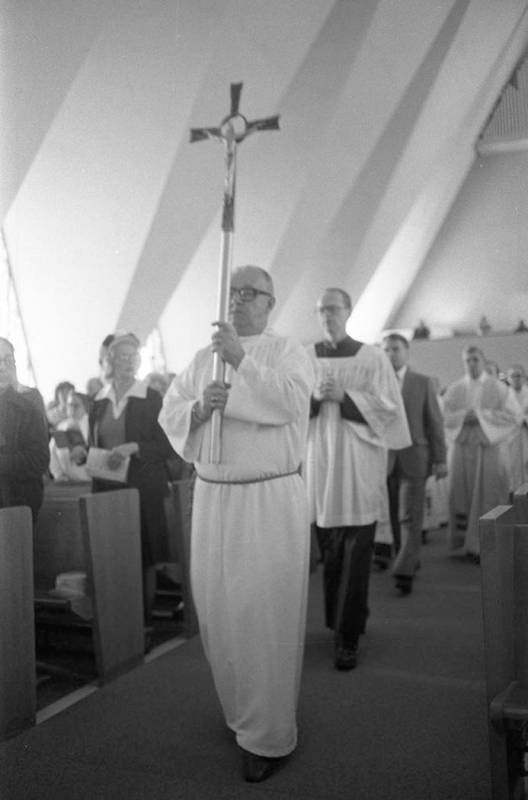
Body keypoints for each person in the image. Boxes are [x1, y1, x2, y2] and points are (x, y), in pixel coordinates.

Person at [159, 265, 313, 783]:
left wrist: (241, 364)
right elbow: (170, 412)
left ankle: (268, 736)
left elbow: (291, 402)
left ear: (271, 303)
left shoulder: (288, 350)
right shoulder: (202, 359)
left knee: (262, 616)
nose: (240, 301)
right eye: (234, 292)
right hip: (214, 497)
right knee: (221, 613)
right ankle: (241, 715)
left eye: (252, 294)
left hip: (267, 499)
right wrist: (200, 408)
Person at [305, 289, 410, 671]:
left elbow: (389, 408)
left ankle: (347, 637)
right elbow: (288, 405)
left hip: (357, 463)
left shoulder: (371, 356)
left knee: (356, 551)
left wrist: (346, 398)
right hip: (320, 464)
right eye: (321, 309)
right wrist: (315, 399)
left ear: (348, 311)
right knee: (331, 550)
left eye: (333, 308)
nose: (327, 315)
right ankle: (342, 621)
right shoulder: (305, 356)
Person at [86, 332, 175, 622]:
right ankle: (118, 627)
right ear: (109, 361)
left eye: (132, 356)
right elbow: (95, 444)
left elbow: (168, 446)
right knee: (115, 558)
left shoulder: (151, 398)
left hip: (142, 489)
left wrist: (133, 447)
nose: (127, 361)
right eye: (120, 356)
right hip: (107, 489)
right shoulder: (98, 401)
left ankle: (142, 624)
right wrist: (83, 452)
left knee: (143, 558)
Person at [381, 334, 447, 594]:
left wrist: (440, 459)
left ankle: (404, 571)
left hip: (415, 458)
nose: (390, 354)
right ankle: (406, 557)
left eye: (395, 349)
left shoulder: (422, 382)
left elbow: (435, 422)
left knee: (410, 516)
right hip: (386, 459)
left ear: (406, 352)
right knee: (394, 518)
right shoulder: (377, 382)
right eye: (386, 350)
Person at [443, 345, 521, 561]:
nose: (471, 364)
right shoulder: (455, 388)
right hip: (463, 451)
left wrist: (481, 417)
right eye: (467, 360)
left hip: (489, 451)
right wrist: (461, 419)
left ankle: (488, 544)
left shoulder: (499, 388)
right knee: (463, 495)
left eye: (475, 359)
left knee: (489, 496)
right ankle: (467, 545)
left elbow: (513, 417)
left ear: (483, 361)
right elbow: (443, 416)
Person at [0, 337, 49, 523]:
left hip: (15, 503)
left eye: (8, 360)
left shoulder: (28, 405)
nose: (3, 367)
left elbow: (39, 460)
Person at [49, 391, 91, 482]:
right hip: (69, 482)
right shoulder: (61, 427)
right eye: (70, 405)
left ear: (85, 406)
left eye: (76, 405)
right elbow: (52, 453)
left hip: (90, 480)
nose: (72, 408)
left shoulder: (92, 425)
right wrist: (58, 474)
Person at [506, 364, 528, 493]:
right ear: (508, 379)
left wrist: (524, 419)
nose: (516, 379)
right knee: (512, 466)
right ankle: (514, 497)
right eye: (512, 376)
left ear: (524, 377)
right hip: (511, 438)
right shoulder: (503, 397)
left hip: (526, 434)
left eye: (518, 375)